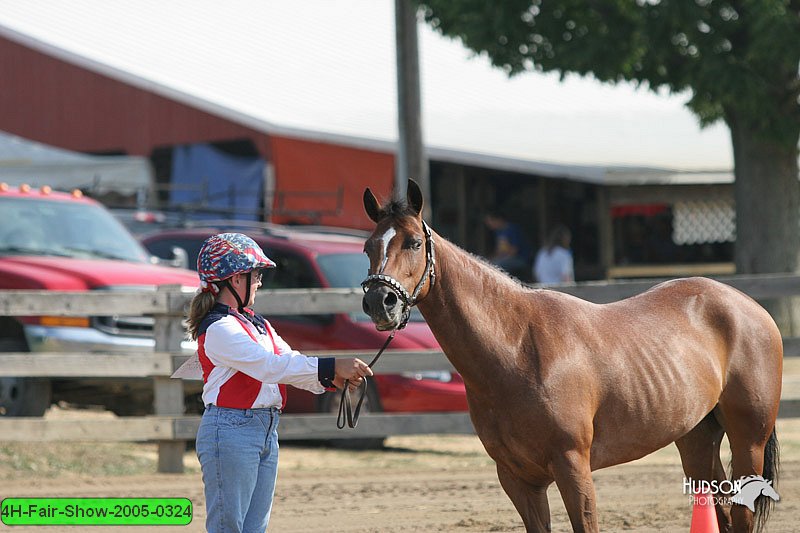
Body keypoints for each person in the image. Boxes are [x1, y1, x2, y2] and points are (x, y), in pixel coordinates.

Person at [186, 232, 372, 533]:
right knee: (228, 527)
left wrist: (332, 378)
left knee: (254, 528)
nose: (259, 281)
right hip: (231, 430)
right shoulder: (220, 328)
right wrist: (332, 367)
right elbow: (269, 367)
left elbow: (289, 362)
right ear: (235, 279)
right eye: (256, 274)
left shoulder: (257, 324)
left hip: (263, 429)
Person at [484, 212, 531, 276]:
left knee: (497, 265)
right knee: (485, 263)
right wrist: (490, 258)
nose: (489, 224)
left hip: (520, 258)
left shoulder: (513, 229)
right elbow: (499, 251)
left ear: (498, 219)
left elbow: (514, 251)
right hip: (505, 258)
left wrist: (499, 258)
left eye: (491, 221)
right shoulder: (498, 232)